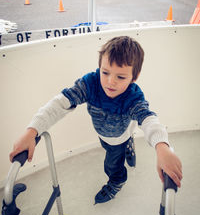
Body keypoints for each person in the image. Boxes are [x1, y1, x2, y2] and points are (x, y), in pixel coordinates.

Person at [9, 36, 182, 204]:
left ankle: (117, 181)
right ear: (99, 67)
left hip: (118, 138)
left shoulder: (133, 97)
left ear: (133, 78)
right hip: (103, 133)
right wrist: (32, 130)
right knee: (107, 145)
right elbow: (59, 104)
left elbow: (149, 120)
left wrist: (162, 147)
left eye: (120, 77)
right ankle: (129, 143)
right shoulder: (90, 84)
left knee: (112, 164)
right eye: (105, 72)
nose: (110, 82)